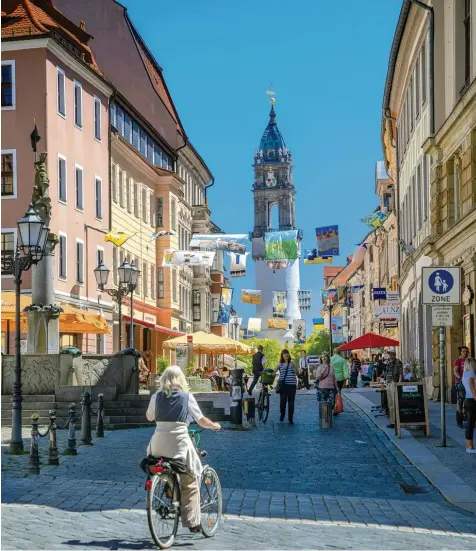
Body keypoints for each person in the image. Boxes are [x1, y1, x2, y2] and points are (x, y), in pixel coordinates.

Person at [145, 366, 221, 532]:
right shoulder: (187, 397)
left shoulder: (156, 397)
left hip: (158, 443)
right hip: (179, 443)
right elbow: (201, 420)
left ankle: (168, 485)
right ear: (181, 380)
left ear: (164, 379)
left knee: (163, 464)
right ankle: (192, 522)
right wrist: (214, 425)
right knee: (191, 479)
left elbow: (149, 416)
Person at [274, 349, 300, 425]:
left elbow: (297, 373)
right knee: (283, 402)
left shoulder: (292, 362)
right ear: (282, 355)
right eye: (284, 354)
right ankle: (282, 414)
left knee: (291, 402)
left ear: (289, 354)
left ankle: (290, 418)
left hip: (292, 385)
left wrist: (294, 367)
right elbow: (273, 372)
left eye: (287, 353)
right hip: (283, 386)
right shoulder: (279, 363)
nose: (286, 355)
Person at [462, 358, 476, 454]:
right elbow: (472, 387)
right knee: (470, 424)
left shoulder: (465, 375)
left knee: (469, 423)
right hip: (472, 400)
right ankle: (470, 447)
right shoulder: (471, 374)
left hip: (468, 400)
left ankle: (469, 445)